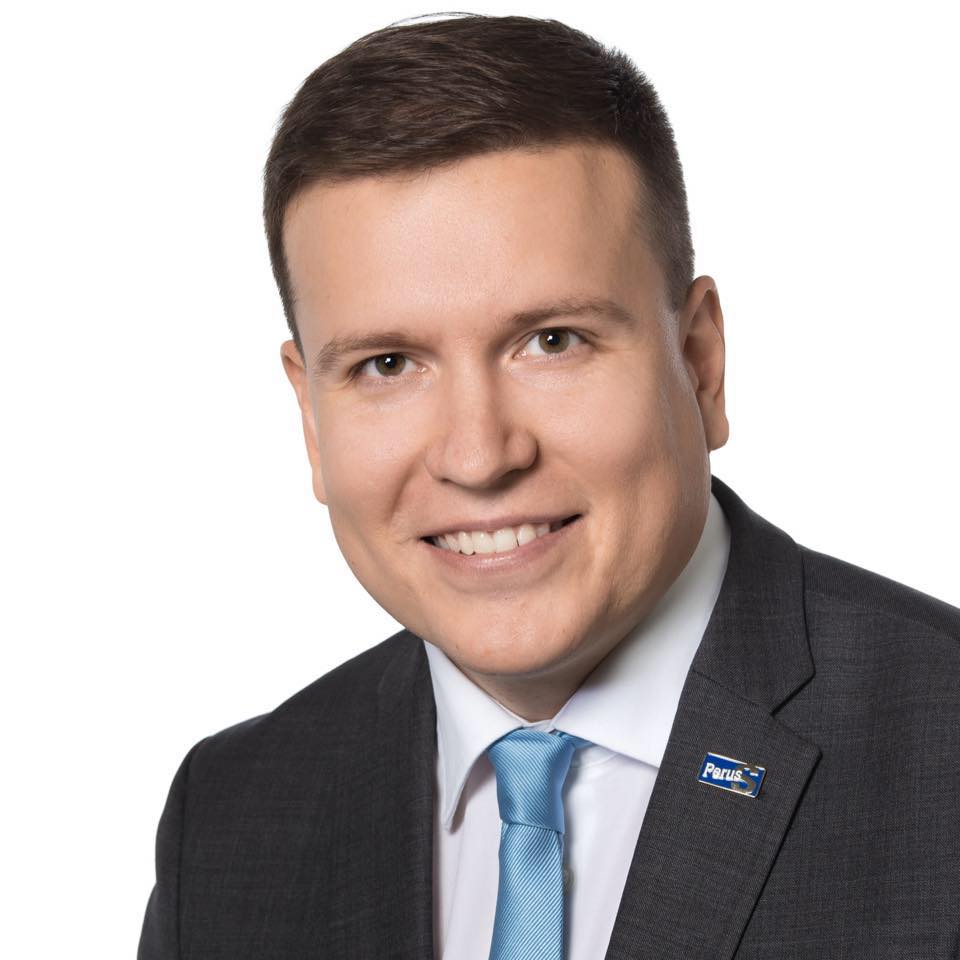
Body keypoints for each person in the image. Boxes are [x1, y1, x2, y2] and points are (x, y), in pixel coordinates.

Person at [137, 13, 960, 959]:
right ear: (311, 417)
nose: (478, 455)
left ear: (700, 363)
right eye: (388, 364)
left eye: (552, 341)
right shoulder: (233, 816)